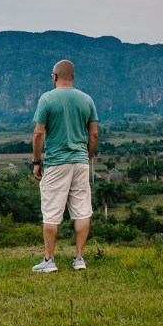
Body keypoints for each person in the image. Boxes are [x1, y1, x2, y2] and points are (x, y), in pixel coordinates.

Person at [30, 59, 98, 272]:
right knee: (81, 210)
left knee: (51, 212)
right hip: (80, 161)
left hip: (56, 162)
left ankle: (49, 261)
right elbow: (94, 134)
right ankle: (79, 259)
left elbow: (38, 133)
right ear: (73, 77)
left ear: (55, 76)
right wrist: (87, 157)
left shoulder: (47, 99)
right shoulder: (87, 99)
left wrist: (37, 162)